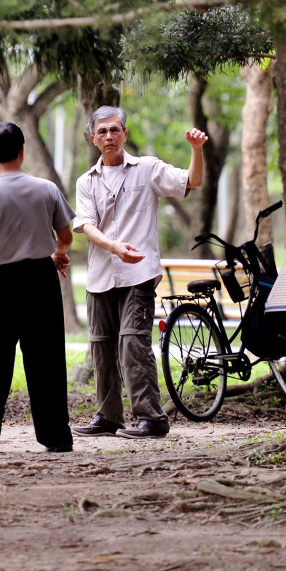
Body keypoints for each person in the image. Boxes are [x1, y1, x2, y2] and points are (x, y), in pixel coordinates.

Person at [72, 106, 206, 439]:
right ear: (93, 138)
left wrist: (196, 149)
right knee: (101, 345)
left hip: (139, 275)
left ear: (125, 134)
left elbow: (192, 180)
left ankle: (152, 418)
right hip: (101, 274)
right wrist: (114, 247)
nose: (108, 137)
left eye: (114, 130)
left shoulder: (146, 169)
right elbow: (86, 225)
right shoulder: (86, 181)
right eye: (102, 132)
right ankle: (108, 415)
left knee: (133, 343)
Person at [0, 122, 74, 454]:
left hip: (2, 281)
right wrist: (57, 254)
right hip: (41, 279)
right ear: (23, 150)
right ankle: (56, 436)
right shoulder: (47, 189)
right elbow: (66, 237)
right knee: (47, 359)